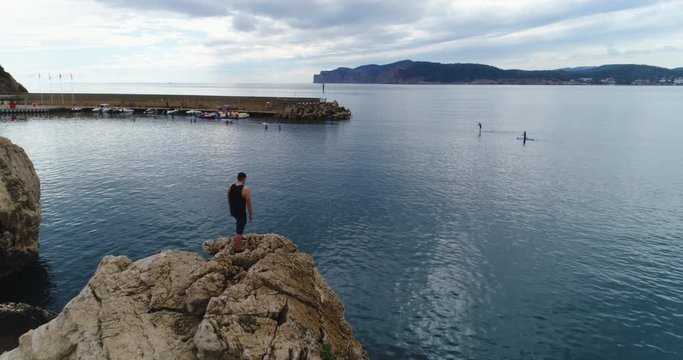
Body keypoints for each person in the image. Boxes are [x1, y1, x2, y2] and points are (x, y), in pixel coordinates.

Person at [227, 172, 253, 252]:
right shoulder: (246, 189)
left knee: (238, 225)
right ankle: (238, 248)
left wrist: (231, 208)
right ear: (244, 179)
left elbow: (228, 197)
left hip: (233, 211)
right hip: (241, 213)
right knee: (239, 231)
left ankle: (238, 240)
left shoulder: (231, 186)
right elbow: (249, 204)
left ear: (238, 178)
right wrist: (250, 215)